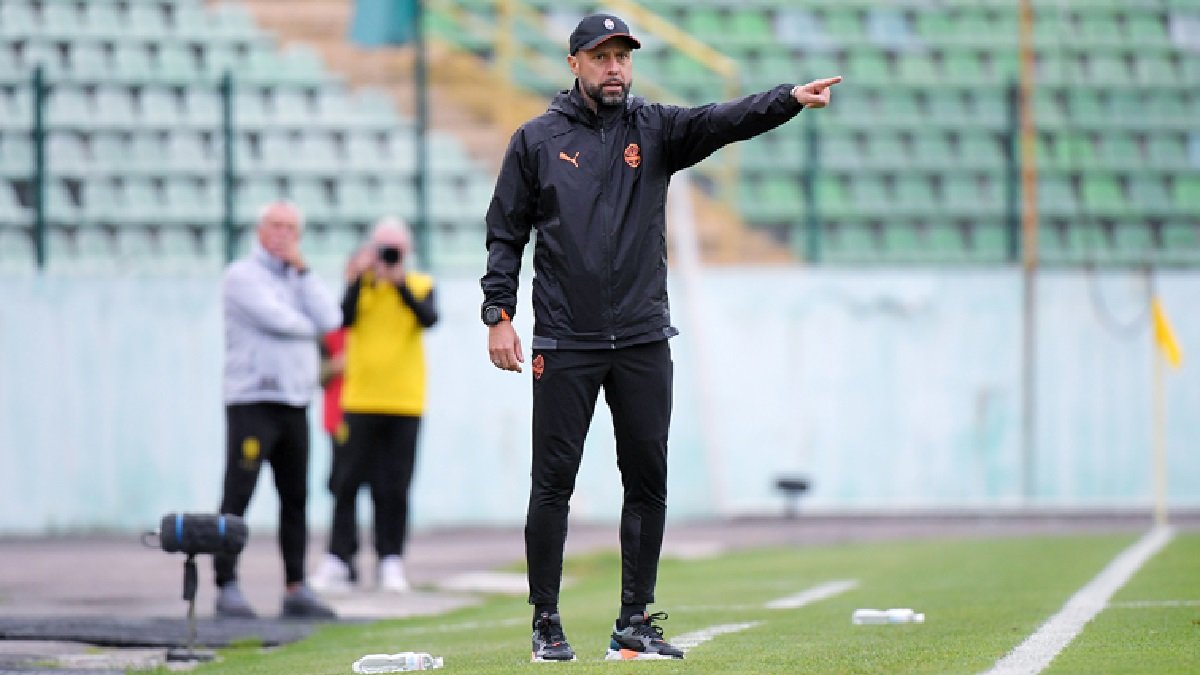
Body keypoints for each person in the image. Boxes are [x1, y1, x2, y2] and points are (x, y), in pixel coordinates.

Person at [480, 13, 840, 662]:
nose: (614, 67)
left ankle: (634, 619)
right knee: (553, 483)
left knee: (648, 480)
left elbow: (724, 120)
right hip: (564, 340)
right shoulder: (536, 141)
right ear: (574, 64)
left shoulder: (655, 128)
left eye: (623, 56)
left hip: (643, 336)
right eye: (601, 56)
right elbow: (506, 233)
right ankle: (546, 622)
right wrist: (498, 313)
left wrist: (787, 99)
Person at [214, 201, 342, 620]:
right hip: (253, 401)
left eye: (290, 227)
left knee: (295, 497)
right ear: (260, 230)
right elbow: (280, 320)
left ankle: (295, 586)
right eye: (275, 225)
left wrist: (304, 274)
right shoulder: (241, 276)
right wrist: (311, 323)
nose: (282, 234)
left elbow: (331, 318)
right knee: (239, 493)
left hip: (294, 401)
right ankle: (226, 583)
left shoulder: (297, 277)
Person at [310, 218, 438, 593]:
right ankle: (338, 558)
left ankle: (390, 559)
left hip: (404, 402)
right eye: (382, 248)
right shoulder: (360, 287)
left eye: (394, 249)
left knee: (394, 485)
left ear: (407, 250)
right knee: (346, 483)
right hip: (360, 400)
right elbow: (341, 319)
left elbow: (429, 318)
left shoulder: (420, 285)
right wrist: (361, 278)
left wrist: (399, 284)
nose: (388, 255)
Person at [313, 246, 373, 590]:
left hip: (372, 413)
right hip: (340, 416)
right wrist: (337, 366)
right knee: (342, 487)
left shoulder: (376, 320)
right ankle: (342, 557)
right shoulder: (332, 323)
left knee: (378, 487)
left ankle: (380, 559)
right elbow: (317, 372)